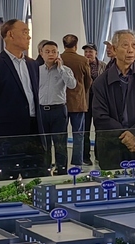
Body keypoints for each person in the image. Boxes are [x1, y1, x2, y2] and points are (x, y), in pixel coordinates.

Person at [0, 19, 47, 179]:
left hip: (33, 135)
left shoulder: (32, 65)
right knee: (6, 186)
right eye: (24, 32)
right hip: (5, 139)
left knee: (37, 182)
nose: (28, 37)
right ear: (10, 34)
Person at [92, 29, 135, 169]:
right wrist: (127, 137)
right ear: (114, 49)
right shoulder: (100, 82)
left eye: (134, 45)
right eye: (125, 45)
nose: (130, 50)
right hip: (113, 148)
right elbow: (100, 117)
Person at [37, 40, 77, 174]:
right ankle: (45, 170)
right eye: (47, 52)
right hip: (41, 110)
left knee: (60, 143)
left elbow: (72, 85)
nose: (51, 54)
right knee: (44, 144)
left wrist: (61, 69)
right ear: (41, 53)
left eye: (54, 52)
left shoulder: (65, 70)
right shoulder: (37, 70)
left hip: (58, 110)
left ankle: (61, 170)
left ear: (58, 53)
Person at [61, 35, 92, 166]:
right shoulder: (82, 60)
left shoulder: (59, 59)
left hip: (61, 101)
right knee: (78, 133)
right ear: (76, 45)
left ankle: (61, 163)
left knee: (61, 134)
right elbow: (88, 81)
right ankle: (77, 162)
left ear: (63, 45)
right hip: (78, 101)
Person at [83, 43, 103, 161]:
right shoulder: (81, 64)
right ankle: (85, 157)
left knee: (99, 129)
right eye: (86, 52)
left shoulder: (103, 66)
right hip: (85, 101)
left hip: (98, 101)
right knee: (85, 130)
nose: (88, 54)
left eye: (90, 51)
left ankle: (99, 155)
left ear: (96, 53)